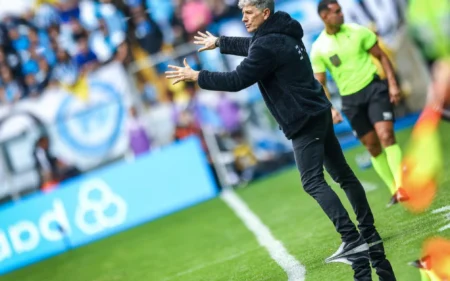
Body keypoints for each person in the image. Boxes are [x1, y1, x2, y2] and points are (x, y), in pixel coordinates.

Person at [165, 0, 396, 280]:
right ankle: (368, 231)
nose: (244, 17)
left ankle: (352, 237)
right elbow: (256, 48)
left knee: (312, 181)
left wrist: (197, 75)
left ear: (265, 13)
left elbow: (238, 79)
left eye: (249, 12)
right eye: (241, 12)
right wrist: (220, 42)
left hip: (303, 120)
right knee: (343, 175)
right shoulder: (282, 30)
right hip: (318, 111)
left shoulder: (267, 44)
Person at [310, 0, 406, 206]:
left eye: (341, 10)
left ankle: (401, 187)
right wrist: (331, 109)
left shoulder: (358, 31)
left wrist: (392, 84)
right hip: (350, 101)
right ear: (324, 16)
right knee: (372, 146)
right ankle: (393, 189)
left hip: (374, 89)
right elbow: (320, 84)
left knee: (386, 135)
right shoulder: (318, 48)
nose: (341, 14)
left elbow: (382, 57)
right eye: (336, 12)